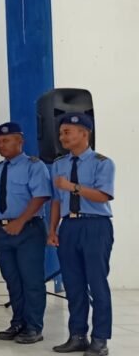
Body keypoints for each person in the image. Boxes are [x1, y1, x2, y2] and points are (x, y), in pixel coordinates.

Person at [48, 113, 114, 356]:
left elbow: (103, 196)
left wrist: (73, 187)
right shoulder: (59, 164)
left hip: (95, 225)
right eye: (61, 133)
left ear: (84, 133)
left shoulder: (102, 163)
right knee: (73, 284)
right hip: (69, 226)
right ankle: (77, 336)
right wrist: (52, 229)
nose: (62, 137)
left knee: (97, 283)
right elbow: (56, 201)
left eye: (67, 132)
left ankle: (100, 339)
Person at [0, 122, 50, 345]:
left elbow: (41, 196)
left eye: (6, 140)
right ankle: (18, 322)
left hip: (28, 229)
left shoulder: (34, 166)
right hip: (3, 230)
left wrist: (20, 222)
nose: (1, 145)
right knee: (12, 280)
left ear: (20, 141)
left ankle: (33, 327)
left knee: (31, 280)